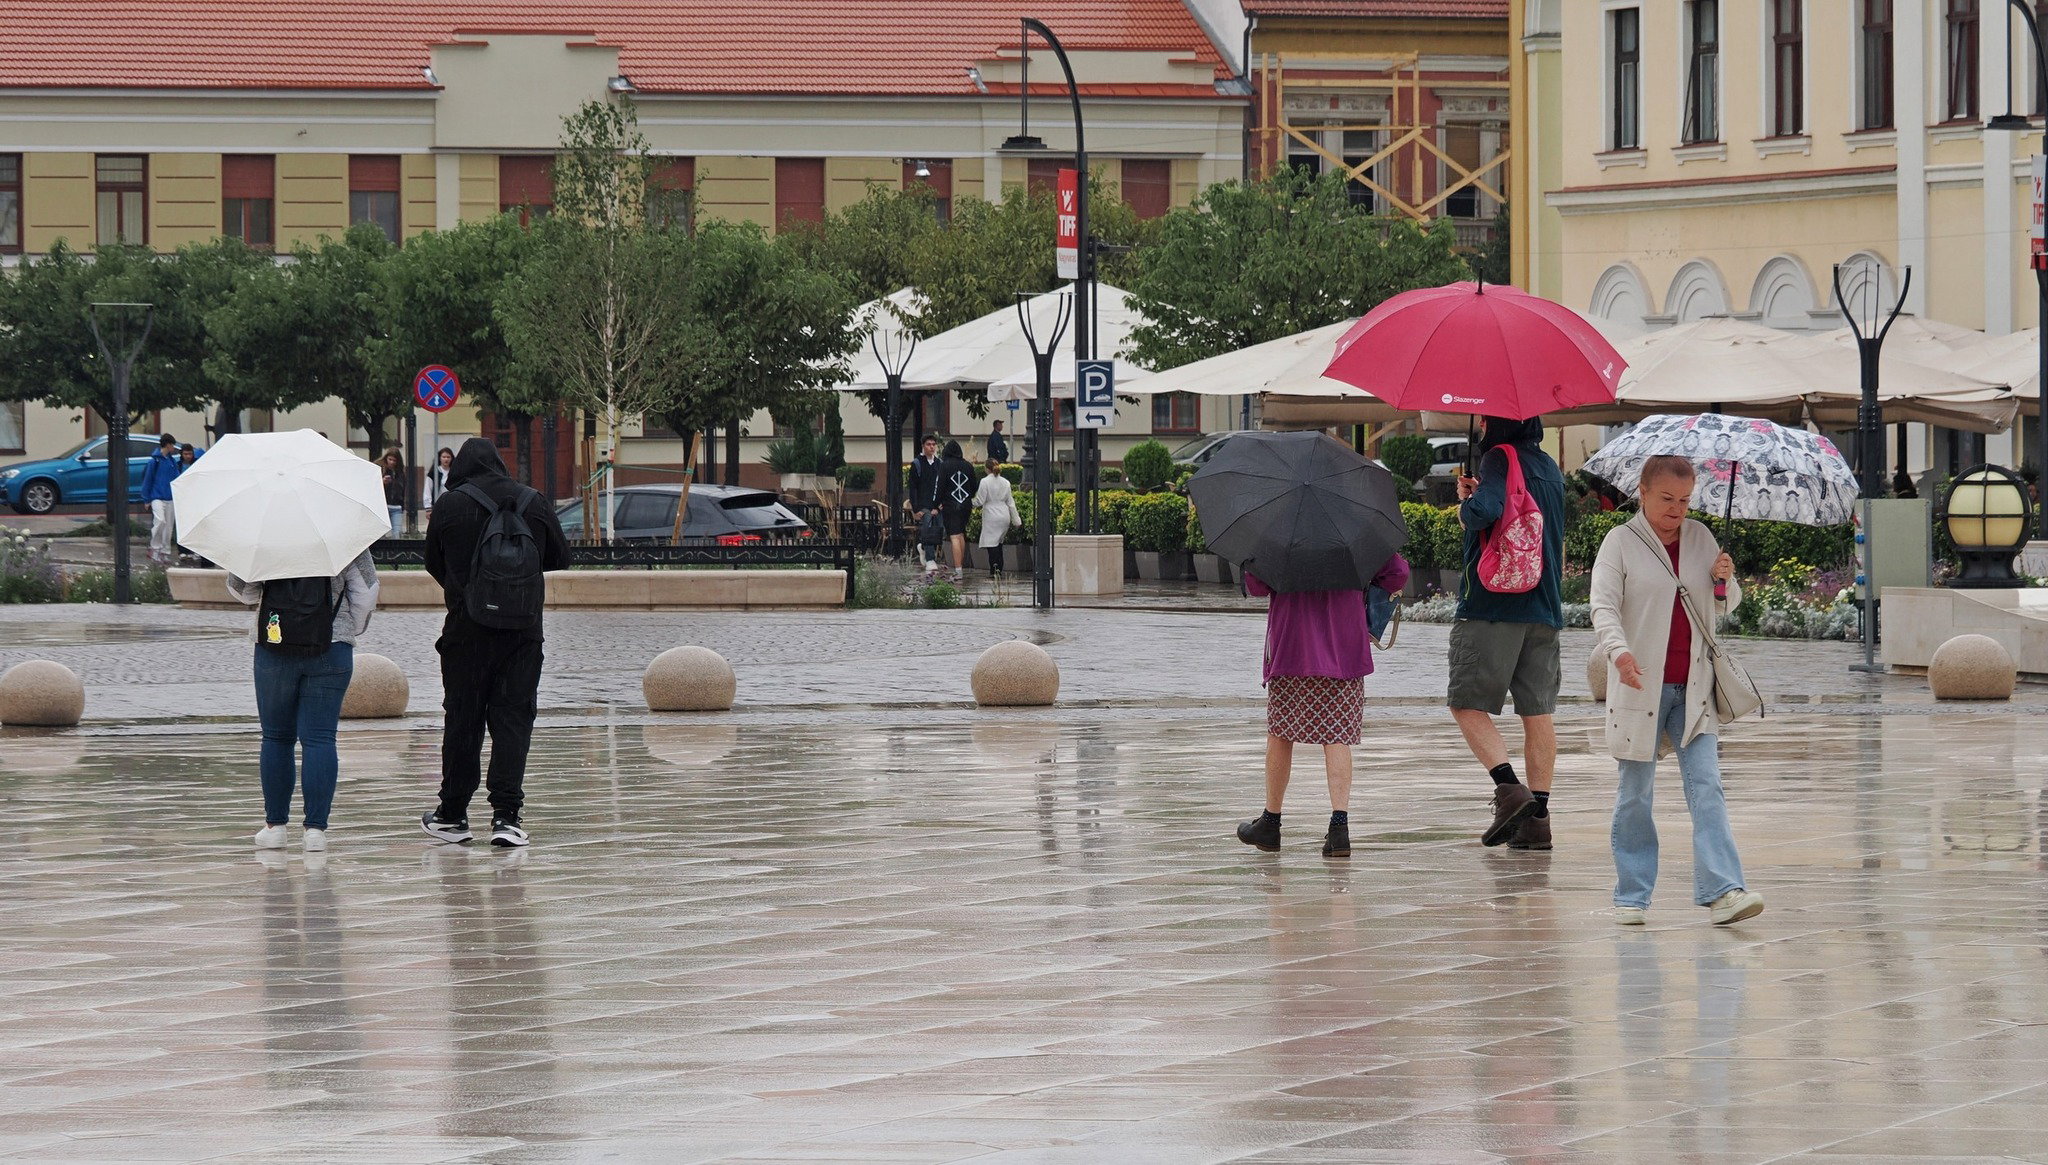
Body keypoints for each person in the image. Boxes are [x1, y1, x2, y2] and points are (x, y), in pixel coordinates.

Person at [1590, 455, 1763, 926]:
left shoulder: (1701, 539)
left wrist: (1724, 581)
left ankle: (1725, 890)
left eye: (1685, 500)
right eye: (1667, 498)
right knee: (1634, 794)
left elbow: (1724, 608)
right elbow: (1602, 608)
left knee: (1707, 787)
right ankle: (1632, 895)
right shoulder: (1619, 542)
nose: (1677, 509)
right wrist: (1619, 653)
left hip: (1695, 687)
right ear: (1642, 492)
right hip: (1639, 685)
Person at [419, 438, 570, 848]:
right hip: (522, 633)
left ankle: (452, 814)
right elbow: (560, 556)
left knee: (463, 720)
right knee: (513, 721)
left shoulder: (450, 506)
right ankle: (507, 817)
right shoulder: (532, 501)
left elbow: (433, 561)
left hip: (466, 633)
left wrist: (466, 590)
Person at [1237, 553, 1412, 858]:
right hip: (1344, 648)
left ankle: (1271, 822)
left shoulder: (1283, 534)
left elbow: (1256, 585)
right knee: (1337, 736)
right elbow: (1397, 572)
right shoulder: (1355, 532)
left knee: (1280, 733)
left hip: (1292, 647)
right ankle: (1339, 828)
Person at [1450, 415, 1568, 850]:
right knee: (1537, 714)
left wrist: (1467, 505)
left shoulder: (1499, 457)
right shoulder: (1549, 466)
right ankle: (1537, 820)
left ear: (1495, 420)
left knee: (1466, 704)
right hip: (1544, 606)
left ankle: (1509, 790)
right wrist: (1480, 492)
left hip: (1493, 606)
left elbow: (1484, 513)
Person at [225, 550, 380, 852]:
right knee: (321, 738)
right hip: (332, 646)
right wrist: (346, 626)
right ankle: (315, 832)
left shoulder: (264, 536)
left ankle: (275, 827)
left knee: (276, 737)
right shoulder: (342, 535)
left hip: (274, 643)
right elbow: (366, 590)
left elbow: (242, 590)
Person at [936, 440, 977, 580]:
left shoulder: (944, 466)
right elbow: (974, 487)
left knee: (953, 536)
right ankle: (960, 568)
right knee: (960, 535)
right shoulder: (968, 466)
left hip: (950, 505)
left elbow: (940, 486)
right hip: (965, 505)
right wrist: (966, 497)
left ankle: (958, 569)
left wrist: (936, 503)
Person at [972, 458, 1018, 576]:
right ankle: (999, 569)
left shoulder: (985, 481)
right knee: (999, 543)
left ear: (987, 468)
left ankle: (994, 570)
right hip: (1004, 514)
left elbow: (980, 500)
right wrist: (1016, 520)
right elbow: (1011, 502)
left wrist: (969, 503)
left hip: (991, 515)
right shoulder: (1006, 482)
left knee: (992, 545)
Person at [139, 433, 181, 564]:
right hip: (157, 497)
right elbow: (148, 479)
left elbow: (176, 478)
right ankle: (155, 548)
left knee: (168, 526)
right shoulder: (154, 461)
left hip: (169, 498)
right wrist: (146, 499)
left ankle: (164, 552)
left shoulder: (171, 461)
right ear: (168, 445)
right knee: (161, 521)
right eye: (172, 444)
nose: (173, 447)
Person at [907, 435, 942, 573]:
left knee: (938, 529)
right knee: (927, 528)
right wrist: (916, 509)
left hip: (936, 504)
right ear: (923, 446)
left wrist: (939, 504)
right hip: (923, 505)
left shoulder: (939, 463)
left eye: (934, 444)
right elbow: (913, 487)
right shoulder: (917, 464)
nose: (932, 447)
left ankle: (923, 547)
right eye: (929, 444)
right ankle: (930, 559)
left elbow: (942, 485)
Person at [379, 448, 406, 538]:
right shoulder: (380, 469)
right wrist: (382, 482)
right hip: (383, 507)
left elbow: (403, 490)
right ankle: (381, 552)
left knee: (397, 533)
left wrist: (402, 506)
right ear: (386, 458)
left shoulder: (400, 473)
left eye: (394, 460)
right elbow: (372, 486)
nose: (392, 462)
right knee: (380, 535)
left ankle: (395, 552)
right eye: (390, 459)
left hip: (396, 507)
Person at [425, 446, 454, 510]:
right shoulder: (434, 472)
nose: (446, 459)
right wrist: (428, 507)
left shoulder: (454, 472)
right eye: (444, 457)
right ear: (440, 458)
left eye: (448, 457)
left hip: (451, 504)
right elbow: (428, 489)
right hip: (438, 504)